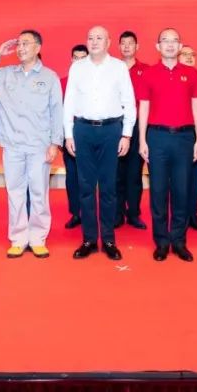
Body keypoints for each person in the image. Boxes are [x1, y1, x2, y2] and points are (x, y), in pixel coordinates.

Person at [0, 31, 64, 258]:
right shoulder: (5, 74)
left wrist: (55, 142)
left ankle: (38, 238)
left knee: (38, 192)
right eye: (19, 44)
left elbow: (57, 111)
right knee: (15, 192)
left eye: (26, 43)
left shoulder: (49, 77)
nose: (21, 48)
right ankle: (18, 238)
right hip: (12, 144)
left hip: (39, 145)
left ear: (38, 47)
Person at [63, 26, 136, 261]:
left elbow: (129, 102)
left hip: (111, 131)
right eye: (90, 38)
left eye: (99, 38)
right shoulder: (77, 67)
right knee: (85, 187)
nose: (94, 42)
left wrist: (126, 135)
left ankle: (109, 239)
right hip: (83, 130)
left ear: (108, 42)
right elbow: (69, 102)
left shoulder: (119, 67)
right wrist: (68, 135)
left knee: (108, 188)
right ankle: (89, 239)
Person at [137, 29, 197, 262]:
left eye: (174, 40)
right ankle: (162, 242)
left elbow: (196, 106)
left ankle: (179, 241)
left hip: (184, 138)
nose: (170, 44)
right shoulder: (149, 74)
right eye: (165, 40)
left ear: (180, 46)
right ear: (158, 46)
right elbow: (143, 107)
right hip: (157, 137)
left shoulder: (191, 73)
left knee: (181, 191)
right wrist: (142, 140)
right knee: (157, 191)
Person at [115, 30, 148, 229]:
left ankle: (134, 213)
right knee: (116, 173)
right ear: (118, 46)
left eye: (130, 43)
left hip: (138, 127)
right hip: (115, 126)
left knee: (135, 173)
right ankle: (117, 213)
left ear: (137, 47)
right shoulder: (112, 69)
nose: (127, 46)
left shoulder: (147, 70)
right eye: (123, 43)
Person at [178, 44, 197, 232]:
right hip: (179, 134)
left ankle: (193, 215)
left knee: (195, 177)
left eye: (192, 54)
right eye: (185, 54)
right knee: (179, 178)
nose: (189, 57)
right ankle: (179, 215)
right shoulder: (171, 78)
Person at [60, 44, 89, 229]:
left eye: (82, 58)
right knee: (72, 177)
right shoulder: (62, 83)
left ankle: (90, 213)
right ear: (71, 59)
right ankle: (76, 213)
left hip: (89, 135)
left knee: (89, 177)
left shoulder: (95, 83)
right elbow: (56, 112)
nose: (78, 61)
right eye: (76, 58)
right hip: (69, 137)